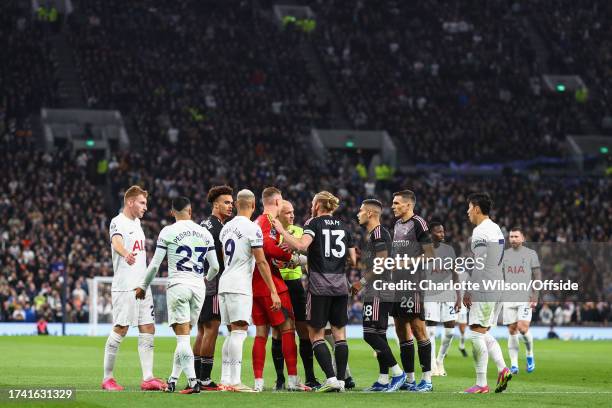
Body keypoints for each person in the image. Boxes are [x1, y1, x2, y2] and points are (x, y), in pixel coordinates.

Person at [273, 191, 356, 393]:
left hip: (320, 286)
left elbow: (302, 244)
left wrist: (282, 232)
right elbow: (353, 260)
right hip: (341, 285)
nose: (311, 206)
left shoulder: (313, 223)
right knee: (339, 334)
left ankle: (331, 379)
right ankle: (343, 380)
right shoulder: (345, 227)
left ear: (318, 204)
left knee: (315, 334)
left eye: (312, 202)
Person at [137, 196, 219, 394]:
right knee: (184, 337)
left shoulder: (168, 231)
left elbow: (155, 265)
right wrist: (204, 278)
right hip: (198, 287)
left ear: (172, 212)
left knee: (182, 339)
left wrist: (143, 286)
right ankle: (173, 380)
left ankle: (193, 382)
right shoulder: (204, 232)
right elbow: (215, 266)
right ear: (190, 211)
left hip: (178, 285)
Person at [212, 189, 281, 392]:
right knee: (240, 332)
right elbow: (261, 260)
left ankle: (225, 379)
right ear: (252, 206)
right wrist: (273, 291)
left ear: (236, 203)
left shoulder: (225, 228)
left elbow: (225, 257)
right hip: (240, 285)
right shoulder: (253, 228)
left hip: (224, 283)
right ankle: (235, 381)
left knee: (231, 332)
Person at [102, 185, 165, 391]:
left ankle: (148, 378)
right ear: (130, 202)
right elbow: (116, 242)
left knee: (148, 327)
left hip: (141, 285)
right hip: (125, 286)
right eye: (142, 203)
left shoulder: (138, 223)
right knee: (121, 328)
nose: (145, 207)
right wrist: (125, 252)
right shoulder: (117, 221)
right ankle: (107, 378)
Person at [251, 188, 309, 392]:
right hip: (271, 284)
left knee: (260, 333)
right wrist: (289, 256)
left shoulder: (257, 221)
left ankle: (258, 382)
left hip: (255, 285)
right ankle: (292, 380)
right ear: (277, 201)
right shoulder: (268, 221)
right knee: (287, 328)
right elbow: (268, 247)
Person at [351, 199, 407, 392]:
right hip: (381, 288)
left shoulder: (378, 233)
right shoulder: (375, 234)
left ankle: (398, 373)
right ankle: (383, 379)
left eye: (360, 211)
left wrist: (362, 282)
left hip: (379, 289)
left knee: (369, 334)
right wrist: (361, 259)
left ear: (370, 213)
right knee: (379, 334)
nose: (357, 214)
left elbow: (382, 263)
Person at [463, 193, 512, 394]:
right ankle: (503, 369)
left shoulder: (480, 231)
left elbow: (480, 263)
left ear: (476, 208)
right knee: (484, 332)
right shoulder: (496, 228)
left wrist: (469, 290)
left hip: (485, 286)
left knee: (475, 333)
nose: (467, 212)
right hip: (498, 283)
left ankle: (481, 383)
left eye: (468, 207)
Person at [271, 199, 318, 389]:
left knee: (303, 331)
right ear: (278, 215)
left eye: (293, 212)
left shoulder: (300, 232)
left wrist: (295, 260)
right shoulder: (270, 232)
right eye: (288, 212)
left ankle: (310, 377)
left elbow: (310, 257)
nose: (292, 215)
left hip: (296, 285)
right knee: (278, 332)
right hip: (276, 284)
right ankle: (280, 380)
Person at [389, 190, 434, 392]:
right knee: (400, 330)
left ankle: (427, 379)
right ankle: (409, 379)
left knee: (417, 329)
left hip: (413, 284)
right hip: (397, 284)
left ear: (408, 205)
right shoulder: (397, 224)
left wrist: (406, 262)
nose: (393, 206)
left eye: (397, 203)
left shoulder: (418, 223)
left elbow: (430, 255)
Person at [194, 185, 234, 390]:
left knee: (202, 330)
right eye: (226, 202)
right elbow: (222, 259)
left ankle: (196, 377)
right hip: (213, 282)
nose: (230, 206)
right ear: (215, 204)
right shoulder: (219, 228)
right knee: (212, 328)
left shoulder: (203, 224)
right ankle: (204, 379)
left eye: (232, 203)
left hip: (199, 281)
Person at [424, 221, 461, 377]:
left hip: (448, 294)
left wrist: (458, 296)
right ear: (431, 233)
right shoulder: (424, 249)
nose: (442, 234)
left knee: (450, 331)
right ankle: (432, 364)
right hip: (430, 293)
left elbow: (455, 273)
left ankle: (440, 360)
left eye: (443, 231)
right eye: (439, 232)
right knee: (431, 330)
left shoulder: (449, 250)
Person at [502, 226, 541, 374]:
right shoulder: (504, 255)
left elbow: (537, 276)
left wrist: (535, 295)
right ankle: (514, 364)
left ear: (523, 238)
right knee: (512, 330)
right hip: (508, 297)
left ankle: (530, 354)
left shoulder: (531, 254)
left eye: (516, 236)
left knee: (523, 328)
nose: (513, 239)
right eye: (511, 237)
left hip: (525, 296)